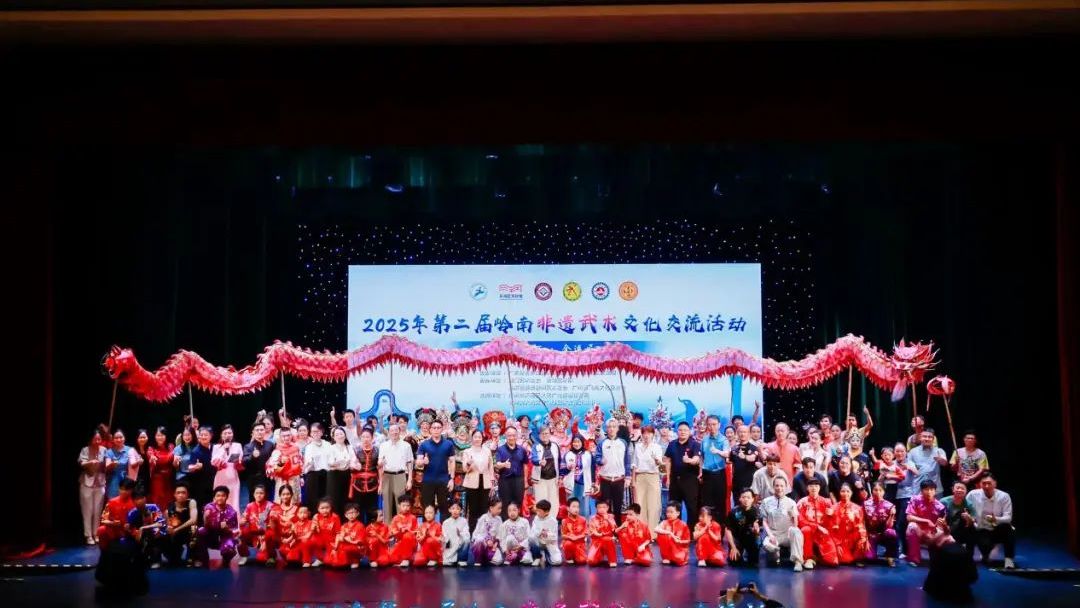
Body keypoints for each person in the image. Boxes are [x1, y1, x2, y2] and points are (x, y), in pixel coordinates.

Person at [966, 474, 1015, 568]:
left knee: (1008, 528)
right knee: (981, 541)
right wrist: (969, 517)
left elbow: (1008, 517)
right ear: (980, 484)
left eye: (989, 483)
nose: (986, 486)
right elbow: (965, 509)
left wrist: (996, 519)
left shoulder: (1004, 496)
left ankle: (1009, 560)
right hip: (980, 529)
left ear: (995, 484)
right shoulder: (972, 494)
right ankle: (972, 558)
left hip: (996, 528)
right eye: (984, 483)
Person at [904, 479, 955, 567]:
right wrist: (927, 521)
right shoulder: (915, 500)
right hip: (919, 531)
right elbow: (909, 517)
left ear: (935, 491)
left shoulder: (940, 507)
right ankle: (914, 559)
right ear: (921, 490)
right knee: (912, 526)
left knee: (950, 539)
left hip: (932, 534)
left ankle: (944, 561)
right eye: (926, 489)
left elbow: (946, 531)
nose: (929, 492)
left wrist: (945, 525)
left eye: (931, 489)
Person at [664, 421, 702, 528]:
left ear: (689, 432)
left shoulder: (695, 444)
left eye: (685, 430)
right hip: (675, 480)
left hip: (690, 481)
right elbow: (668, 461)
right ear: (677, 431)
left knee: (692, 508)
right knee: (674, 508)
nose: (683, 432)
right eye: (680, 430)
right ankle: (675, 530)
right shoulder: (672, 444)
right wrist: (668, 477)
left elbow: (697, 459)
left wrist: (689, 460)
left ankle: (691, 532)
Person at [760, 476, 803, 571]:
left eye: (782, 486)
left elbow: (795, 525)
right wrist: (770, 535)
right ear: (773, 487)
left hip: (787, 534)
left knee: (796, 532)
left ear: (786, 487)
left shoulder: (791, 502)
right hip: (774, 534)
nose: (779, 488)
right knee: (768, 547)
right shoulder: (766, 502)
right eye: (777, 485)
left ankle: (798, 561)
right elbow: (764, 521)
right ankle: (777, 552)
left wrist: (794, 517)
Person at [595, 419, 632, 526]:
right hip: (605, 479)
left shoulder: (623, 443)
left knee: (618, 506)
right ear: (606, 429)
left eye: (614, 426)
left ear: (617, 428)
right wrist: (600, 461)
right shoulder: (602, 443)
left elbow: (627, 461)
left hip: (619, 479)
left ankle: (618, 528)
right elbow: (596, 458)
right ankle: (605, 528)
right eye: (609, 427)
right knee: (605, 506)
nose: (611, 429)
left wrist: (628, 477)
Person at [417, 419, 457, 519]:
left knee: (445, 509)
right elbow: (418, 462)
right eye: (434, 428)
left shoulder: (448, 444)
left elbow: (452, 461)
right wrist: (423, 461)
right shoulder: (424, 444)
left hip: (443, 480)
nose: (436, 430)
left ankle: (445, 528)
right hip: (428, 480)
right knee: (428, 508)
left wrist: (451, 479)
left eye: (438, 428)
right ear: (430, 429)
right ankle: (427, 529)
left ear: (442, 429)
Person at [796, 477, 839, 568]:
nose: (814, 488)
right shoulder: (802, 502)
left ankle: (818, 557)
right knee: (805, 530)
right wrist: (817, 526)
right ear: (807, 488)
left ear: (819, 488)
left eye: (816, 486)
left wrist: (832, 514)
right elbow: (800, 521)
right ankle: (808, 558)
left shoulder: (826, 501)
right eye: (811, 486)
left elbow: (833, 521)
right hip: (809, 531)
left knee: (833, 562)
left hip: (823, 533)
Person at [193, 485, 240, 568]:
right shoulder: (209, 507)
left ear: (227, 497)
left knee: (229, 550)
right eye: (218, 496)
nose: (220, 498)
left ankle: (226, 560)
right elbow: (205, 526)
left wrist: (227, 529)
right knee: (200, 532)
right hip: (211, 535)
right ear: (214, 497)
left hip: (224, 536)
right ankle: (204, 560)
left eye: (223, 495)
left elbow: (234, 531)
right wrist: (206, 518)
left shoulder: (232, 512)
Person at [378, 423, 414, 519]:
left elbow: (410, 463)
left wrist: (409, 480)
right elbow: (380, 465)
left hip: (400, 475)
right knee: (387, 503)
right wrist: (380, 484)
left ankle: (401, 525)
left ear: (399, 431)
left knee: (401, 504)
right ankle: (388, 526)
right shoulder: (383, 445)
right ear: (389, 432)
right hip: (386, 476)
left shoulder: (406, 445)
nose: (394, 432)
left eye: (396, 430)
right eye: (392, 430)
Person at [78, 429, 108, 545]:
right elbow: (81, 463)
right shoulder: (85, 450)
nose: (97, 441)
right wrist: (90, 462)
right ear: (91, 439)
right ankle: (88, 535)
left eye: (99, 439)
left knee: (98, 511)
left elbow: (107, 463)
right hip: (87, 483)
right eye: (95, 439)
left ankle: (96, 534)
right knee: (87, 511)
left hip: (100, 483)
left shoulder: (104, 450)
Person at [462, 429, 495, 530]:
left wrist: (492, 482)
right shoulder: (467, 452)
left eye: (479, 437)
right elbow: (465, 469)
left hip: (485, 483)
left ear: (482, 438)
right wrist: (468, 463)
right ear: (472, 438)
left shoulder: (487, 451)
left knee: (484, 509)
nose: (477, 439)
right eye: (475, 437)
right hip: (471, 483)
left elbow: (491, 467)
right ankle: (472, 532)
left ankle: (483, 532)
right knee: (473, 510)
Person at [126, 488, 167, 568]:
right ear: (133, 501)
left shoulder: (153, 507)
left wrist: (144, 527)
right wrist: (135, 532)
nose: (140, 501)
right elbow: (132, 532)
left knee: (158, 531)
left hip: (154, 534)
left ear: (145, 498)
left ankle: (157, 559)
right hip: (141, 538)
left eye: (141, 498)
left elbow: (161, 523)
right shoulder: (132, 513)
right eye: (137, 499)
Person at [700, 416, 730, 522]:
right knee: (706, 503)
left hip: (719, 474)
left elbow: (727, 454)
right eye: (709, 424)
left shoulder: (723, 440)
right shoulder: (704, 439)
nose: (711, 427)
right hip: (706, 474)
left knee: (720, 502)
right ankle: (707, 526)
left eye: (714, 424)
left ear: (719, 425)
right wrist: (700, 471)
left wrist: (717, 451)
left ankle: (720, 528)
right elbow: (701, 457)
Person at [237, 483, 274, 566]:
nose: (259, 495)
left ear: (265, 494)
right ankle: (244, 555)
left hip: (265, 535)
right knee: (240, 534)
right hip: (253, 534)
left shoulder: (270, 506)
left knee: (261, 559)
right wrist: (241, 522)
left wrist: (265, 537)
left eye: (261, 493)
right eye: (257, 493)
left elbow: (272, 524)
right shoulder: (249, 506)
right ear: (253, 494)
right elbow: (244, 519)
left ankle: (271, 556)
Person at [324, 426, 357, 517]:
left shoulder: (349, 447)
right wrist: (343, 463)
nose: (339, 436)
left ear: (345, 435)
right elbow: (330, 463)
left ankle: (346, 520)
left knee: (346, 498)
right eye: (337, 434)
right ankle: (335, 520)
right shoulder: (331, 448)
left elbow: (353, 460)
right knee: (334, 498)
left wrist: (349, 464)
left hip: (346, 475)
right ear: (334, 437)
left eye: (341, 434)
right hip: (334, 476)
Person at [494, 427, 529, 513]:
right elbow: (497, 464)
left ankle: (517, 521)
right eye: (509, 435)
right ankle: (505, 521)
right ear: (505, 436)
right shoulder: (500, 450)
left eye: (513, 435)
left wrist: (525, 481)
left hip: (519, 480)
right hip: (505, 481)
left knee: (518, 504)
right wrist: (504, 465)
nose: (511, 437)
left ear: (517, 436)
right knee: (505, 505)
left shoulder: (522, 450)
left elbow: (525, 465)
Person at [863, 482, 898, 566]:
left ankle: (890, 556)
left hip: (883, 534)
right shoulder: (865, 504)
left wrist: (891, 515)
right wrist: (865, 536)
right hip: (870, 535)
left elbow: (889, 526)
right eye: (875, 490)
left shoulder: (890, 506)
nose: (878, 492)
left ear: (884, 492)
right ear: (872, 491)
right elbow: (862, 522)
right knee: (870, 558)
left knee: (891, 532)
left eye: (880, 490)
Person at [831, 483, 866, 566]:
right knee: (846, 560)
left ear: (851, 493)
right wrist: (837, 544)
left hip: (852, 538)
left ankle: (858, 557)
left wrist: (853, 520)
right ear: (839, 492)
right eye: (843, 491)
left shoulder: (858, 508)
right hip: (839, 540)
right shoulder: (833, 508)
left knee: (862, 534)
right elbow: (831, 529)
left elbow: (861, 526)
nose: (845, 493)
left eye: (848, 491)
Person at [163, 482, 198, 566]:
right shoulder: (170, 507)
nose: (181, 495)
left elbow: (193, 520)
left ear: (187, 494)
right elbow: (169, 523)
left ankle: (193, 556)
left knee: (194, 529)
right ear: (174, 495)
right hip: (176, 534)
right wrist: (169, 529)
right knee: (173, 560)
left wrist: (176, 529)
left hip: (188, 531)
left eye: (183, 493)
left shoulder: (191, 502)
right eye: (178, 493)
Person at [725, 488, 762, 567]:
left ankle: (751, 554)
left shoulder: (757, 512)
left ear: (752, 499)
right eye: (743, 497)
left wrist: (756, 531)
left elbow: (758, 531)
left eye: (748, 497)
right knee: (734, 562)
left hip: (751, 538)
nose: (746, 499)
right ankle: (738, 552)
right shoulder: (733, 512)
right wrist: (733, 547)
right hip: (737, 539)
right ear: (740, 498)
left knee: (753, 563)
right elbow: (728, 530)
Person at [211, 425, 243, 511]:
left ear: (232, 434)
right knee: (219, 499)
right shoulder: (216, 447)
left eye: (229, 433)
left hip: (233, 477)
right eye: (225, 433)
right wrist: (223, 449)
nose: (227, 435)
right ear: (221, 435)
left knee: (234, 500)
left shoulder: (238, 445)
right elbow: (213, 462)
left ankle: (234, 518)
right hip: (221, 477)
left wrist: (239, 461)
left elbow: (241, 459)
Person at [98, 478, 137, 550]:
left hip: (129, 531)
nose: (123, 492)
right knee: (101, 530)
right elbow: (103, 520)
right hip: (114, 530)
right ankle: (104, 553)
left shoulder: (136, 503)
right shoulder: (112, 502)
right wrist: (113, 523)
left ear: (132, 490)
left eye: (126, 490)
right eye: (121, 489)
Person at [530, 426, 561, 515]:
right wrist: (539, 462)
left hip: (553, 479)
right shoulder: (535, 446)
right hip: (540, 479)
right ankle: (541, 521)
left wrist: (560, 477)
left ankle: (552, 520)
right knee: (541, 502)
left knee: (554, 502)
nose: (544, 435)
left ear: (550, 434)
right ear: (539, 435)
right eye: (542, 434)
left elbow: (559, 461)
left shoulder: (555, 446)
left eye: (546, 433)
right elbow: (533, 459)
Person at [941, 481, 977, 557]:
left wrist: (969, 518)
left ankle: (969, 557)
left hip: (960, 531)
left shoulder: (969, 504)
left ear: (966, 491)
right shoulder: (944, 502)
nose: (960, 490)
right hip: (945, 529)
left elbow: (973, 520)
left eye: (962, 488)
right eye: (958, 488)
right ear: (953, 489)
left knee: (972, 528)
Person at [242, 422, 275, 506]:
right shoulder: (248, 446)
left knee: (268, 501)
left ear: (265, 431)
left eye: (261, 430)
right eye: (257, 430)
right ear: (253, 432)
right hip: (254, 479)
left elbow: (274, 459)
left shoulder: (270, 445)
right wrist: (252, 456)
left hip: (268, 479)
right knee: (254, 502)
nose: (259, 432)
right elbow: (244, 462)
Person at [908, 429, 949, 496]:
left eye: (930, 437)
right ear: (920, 437)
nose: (927, 439)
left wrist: (941, 460)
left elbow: (944, 463)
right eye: (924, 436)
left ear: (933, 439)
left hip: (935, 489)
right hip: (918, 489)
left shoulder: (939, 451)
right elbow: (908, 467)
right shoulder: (913, 452)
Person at [326, 503, 366, 569]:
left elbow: (360, 542)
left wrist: (347, 540)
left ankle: (355, 560)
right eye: (349, 513)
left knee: (346, 548)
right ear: (345, 515)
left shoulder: (360, 526)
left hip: (357, 547)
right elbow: (340, 536)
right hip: (347, 544)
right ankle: (346, 560)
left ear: (357, 513)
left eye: (353, 512)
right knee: (333, 546)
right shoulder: (344, 526)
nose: (351, 515)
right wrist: (336, 545)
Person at [105, 429, 142, 499]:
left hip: (127, 479)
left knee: (127, 501)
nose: (119, 440)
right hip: (114, 480)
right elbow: (107, 466)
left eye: (121, 437)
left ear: (124, 438)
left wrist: (139, 461)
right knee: (113, 500)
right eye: (116, 438)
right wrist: (112, 464)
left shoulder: (130, 449)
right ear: (113, 439)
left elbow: (137, 462)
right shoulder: (109, 452)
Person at [301, 422, 331, 511]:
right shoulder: (308, 447)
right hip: (313, 475)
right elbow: (307, 463)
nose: (315, 433)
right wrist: (308, 464)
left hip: (326, 475)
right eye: (313, 432)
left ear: (322, 432)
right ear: (310, 433)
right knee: (313, 501)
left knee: (326, 499)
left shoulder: (328, 444)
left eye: (318, 431)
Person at [144, 427, 175, 512]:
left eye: (162, 435)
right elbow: (150, 457)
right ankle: (157, 518)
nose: (160, 437)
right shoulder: (151, 448)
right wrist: (152, 459)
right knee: (158, 501)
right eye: (158, 435)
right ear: (155, 436)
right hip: (157, 480)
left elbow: (174, 458)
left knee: (169, 501)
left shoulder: (171, 446)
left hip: (169, 480)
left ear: (166, 436)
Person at [730, 425, 761, 508]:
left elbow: (752, 458)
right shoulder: (734, 449)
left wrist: (744, 457)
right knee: (737, 506)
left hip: (750, 483)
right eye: (740, 432)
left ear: (749, 434)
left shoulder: (754, 448)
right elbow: (730, 462)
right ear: (737, 434)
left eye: (745, 432)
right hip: (736, 483)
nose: (742, 434)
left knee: (750, 507)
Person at [564, 435, 594, 518]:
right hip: (571, 484)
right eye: (574, 442)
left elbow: (593, 469)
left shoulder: (588, 454)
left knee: (584, 509)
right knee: (571, 507)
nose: (576, 444)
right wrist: (568, 468)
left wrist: (593, 483)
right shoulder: (568, 454)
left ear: (582, 443)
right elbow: (562, 470)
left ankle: (585, 525)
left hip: (584, 483)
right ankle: (570, 525)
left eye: (578, 442)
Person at [187, 427, 216, 512]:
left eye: (206, 435)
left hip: (215, 481)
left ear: (211, 436)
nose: (203, 437)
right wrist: (195, 467)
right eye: (201, 435)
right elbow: (190, 467)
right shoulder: (195, 451)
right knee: (204, 507)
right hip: (202, 485)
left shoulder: (215, 447)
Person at [655, 501, 691, 566]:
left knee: (679, 559)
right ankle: (666, 557)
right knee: (662, 535)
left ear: (678, 513)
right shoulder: (664, 522)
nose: (668, 514)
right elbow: (656, 529)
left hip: (679, 549)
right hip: (667, 550)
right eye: (667, 512)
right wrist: (670, 533)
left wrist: (679, 541)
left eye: (671, 512)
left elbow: (688, 541)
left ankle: (676, 556)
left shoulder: (683, 525)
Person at [528, 499, 562, 566]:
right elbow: (532, 534)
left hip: (549, 543)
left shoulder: (553, 521)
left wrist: (545, 535)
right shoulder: (536, 519)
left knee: (557, 561)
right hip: (538, 542)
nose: (537, 513)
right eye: (537, 510)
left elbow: (554, 537)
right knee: (531, 539)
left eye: (539, 511)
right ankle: (538, 556)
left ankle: (546, 554)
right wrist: (539, 532)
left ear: (547, 512)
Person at [388, 495, 419, 567]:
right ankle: (408, 558)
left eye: (408, 506)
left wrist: (408, 531)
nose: (406, 508)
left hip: (410, 543)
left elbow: (416, 532)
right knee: (390, 559)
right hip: (400, 543)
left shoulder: (413, 518)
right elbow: (391, 533)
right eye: (403, 506)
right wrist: (400, 532)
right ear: (399, 506)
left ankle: (406, 559)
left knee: (407, 535)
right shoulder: (395, 518)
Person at [471, 498, 504, 566]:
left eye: (501, 508)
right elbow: (478, 534)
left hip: (492, 545)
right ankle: (478, 559)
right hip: (482, 543)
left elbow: (500, 534)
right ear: (491, 508)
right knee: (479, 541)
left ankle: (486, 557)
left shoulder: (499, 519)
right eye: (498, 508)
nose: (500, 510)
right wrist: (487, 540)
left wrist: (495, 543)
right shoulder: (483, 518)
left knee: (498, 561)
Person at [586, 500, 618, 567]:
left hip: (608, 540)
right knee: (591, 561)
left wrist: (607, 519)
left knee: (608, 539)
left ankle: (612, 560)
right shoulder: (592, 518)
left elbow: (614, 529)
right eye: (599, 507)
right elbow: (592, 531)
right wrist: (600, 534)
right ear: (596, 508)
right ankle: (600, 555)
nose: (602, 509)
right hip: (597, 541)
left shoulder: (611, 517)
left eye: (604, 507)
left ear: (607, 508)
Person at [312, 497, 341, 566]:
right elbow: (313, 531)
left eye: (327, 508)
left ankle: (328, 557)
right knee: (312, 540)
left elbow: (338, 533)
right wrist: (314, 526)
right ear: (318, 509)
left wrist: (336, 545)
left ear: (331, 508)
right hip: (321, 539)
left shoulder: (335, 517)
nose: (325, 510)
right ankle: (319, 559)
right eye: (322, 508)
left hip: (331, 540)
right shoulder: (316, 517)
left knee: (328, 562)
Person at [442, 501, 471, 566]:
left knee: (466, 540)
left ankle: (462, 559)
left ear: (461, 511)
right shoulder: (446, 522)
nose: (455, 511)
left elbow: (467, 535)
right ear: (449, 510)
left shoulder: (464, 521)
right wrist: (444, 538)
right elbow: (445, 537)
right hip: (451, 546)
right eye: (453, 508)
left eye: (458, 509)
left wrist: (460, 534)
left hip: (460, 545)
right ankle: (450, 558)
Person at [560, 497, 588, 565]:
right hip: (569, 542)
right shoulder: (564, 521)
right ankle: (569, 558)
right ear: (568, 508)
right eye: (574, 506)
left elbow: (585, 533)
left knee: (582, 561)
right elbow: (563, 535)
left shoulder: (583, 519)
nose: (576, 509)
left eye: (578, 507)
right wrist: (570, 538)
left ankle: (577, 554)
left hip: (580, 543)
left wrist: (577, 537)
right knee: (568, 544)